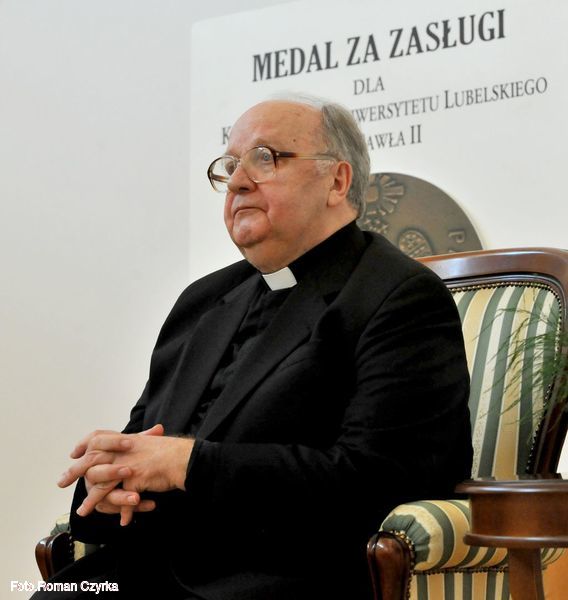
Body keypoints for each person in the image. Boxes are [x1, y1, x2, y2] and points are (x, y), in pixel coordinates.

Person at [37, 94, 472, 599]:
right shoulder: (203, 300)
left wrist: (187, 464)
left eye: (265, 158)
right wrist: (110, 483)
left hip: (284, 578)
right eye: (230, 166)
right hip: (147, 571)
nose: (238, 181)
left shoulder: (397, 297)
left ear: (337, 181)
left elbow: (380, 481)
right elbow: (144, 442)